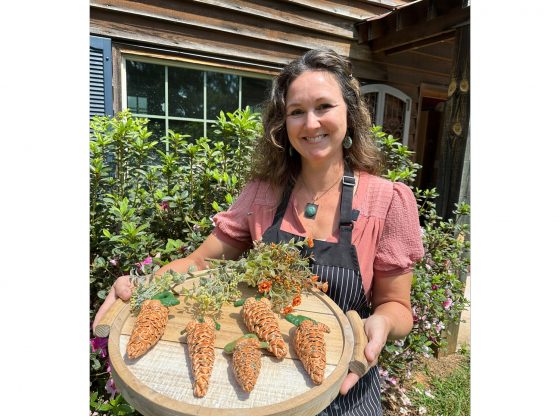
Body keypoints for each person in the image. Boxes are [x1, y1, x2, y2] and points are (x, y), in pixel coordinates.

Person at [93, 48, 424, 415]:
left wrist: (382, 322)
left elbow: (397, 306)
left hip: (345, 393)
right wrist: (144, 284)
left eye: (324, 107)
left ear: (350, 112)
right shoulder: (262, 194)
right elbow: (200, 264)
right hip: (268, 392)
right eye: (297, 112)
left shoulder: (388, 201)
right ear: (283, 125)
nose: (311, 124)